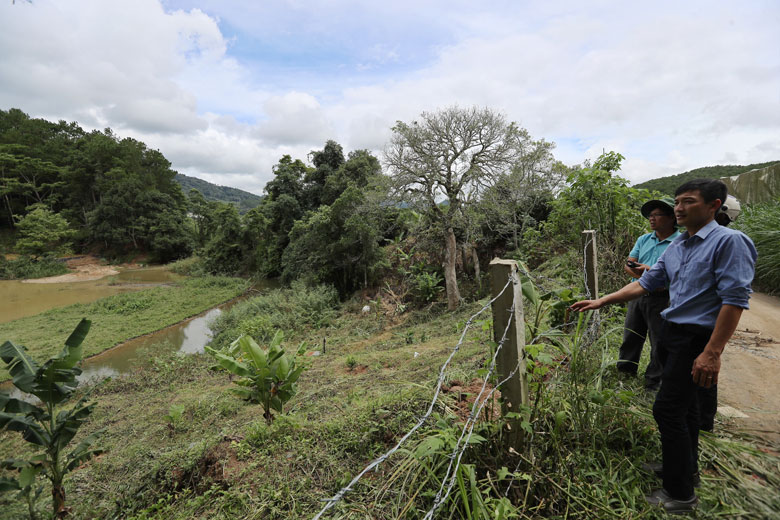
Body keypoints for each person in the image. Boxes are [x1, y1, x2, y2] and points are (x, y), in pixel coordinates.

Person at [570, 179, 756, 514]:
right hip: (671, 332)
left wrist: (712, 353)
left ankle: (680, 493)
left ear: (714, 205)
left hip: (696, 339)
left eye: (688, 201)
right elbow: (646, 283)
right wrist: (602, 301)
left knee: (666, 410)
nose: (679, 208)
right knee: (685, 410)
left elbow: (734, 300)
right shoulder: (679, 247)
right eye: (678, 202)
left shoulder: (729, 242)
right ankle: (686, 470)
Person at [617, 197, 680, 390]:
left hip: (662, 298)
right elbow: (629, 263)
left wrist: (650, 272)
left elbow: (681, 272)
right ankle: (625, 374)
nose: (652, 219)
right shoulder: (644, 239)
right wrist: (640, 272)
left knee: (659, 340)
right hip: (636, 294)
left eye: (657, 215)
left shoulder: (680, 242)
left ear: (671, 218)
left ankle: (654, 381)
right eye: (650, 216)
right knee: (631, 335)